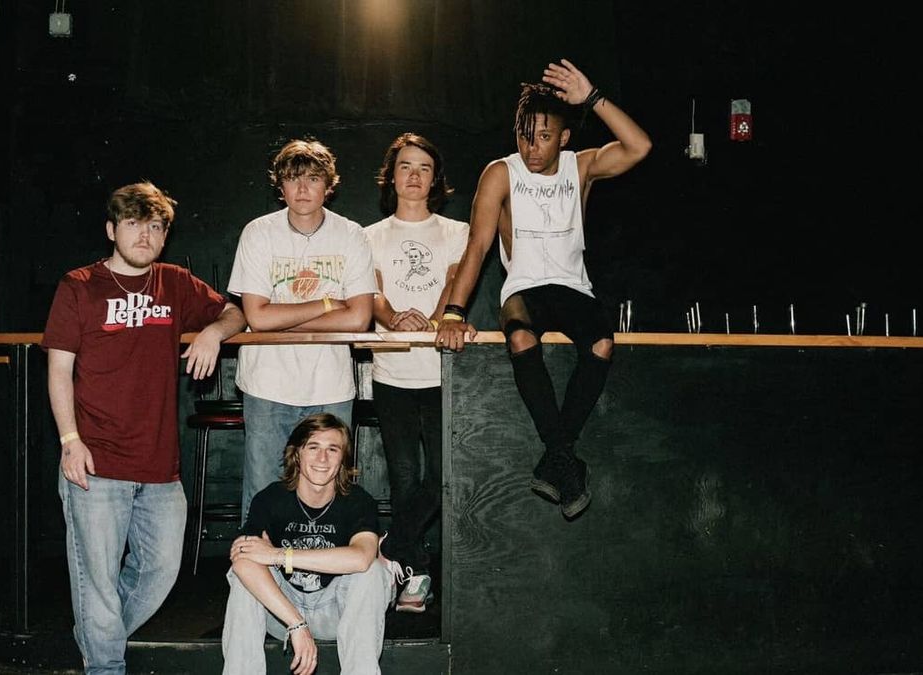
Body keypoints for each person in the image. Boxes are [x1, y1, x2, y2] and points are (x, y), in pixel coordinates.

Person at [42, 181, 246, 674]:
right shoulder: (79, 286)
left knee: (159, 571)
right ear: (111, 230)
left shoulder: (174, 283)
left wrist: (213, 333)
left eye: (155, 226)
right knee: (96, 582)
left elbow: (235, 312)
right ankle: (104, 665)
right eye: (133, 223)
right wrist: (70, 441)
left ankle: (97, 637)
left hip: (159, 466)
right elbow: (58, 370)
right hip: (95, 461)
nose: (145, 235)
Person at [435, 59, 652, 520]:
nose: (532, 148)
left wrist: (592, 99)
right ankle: (564, 458)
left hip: (573, 287)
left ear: (565, 137)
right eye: (524, 136)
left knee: (602, 342)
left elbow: (640, 146)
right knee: (519, 336)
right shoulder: (501, 172)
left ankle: (558, 455)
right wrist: (453, 311)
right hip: (525, 288)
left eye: (544, 137)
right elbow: (477, 246)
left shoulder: (582, 166)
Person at [228, 138, 377, 523]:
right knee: (263, 494)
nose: (303, 188)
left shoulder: (351, 234)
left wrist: (281, 314)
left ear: (329, 185)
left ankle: (328, 563)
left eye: (313, 178)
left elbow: (358, 318)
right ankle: (253, 564)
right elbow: (257, 318)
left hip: (329, 384)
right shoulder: (258, 232)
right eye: (293, 179)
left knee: (329, 494)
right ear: (280, 186)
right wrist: (327, 304)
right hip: (267, 383)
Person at [362, 133, 468, 612]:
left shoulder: (456, 231)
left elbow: (454, 283)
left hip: (444, 373)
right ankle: (417, 574)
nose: (414, 175)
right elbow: (373, 293)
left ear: (434, 178)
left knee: (444, 474)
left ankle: (393, 543)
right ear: (392, 176)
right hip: (393, 375)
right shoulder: (369, 235)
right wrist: (394, 319)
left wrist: (435, 318)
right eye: (405, 166)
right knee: (404, 478)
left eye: (424, 167)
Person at [221, 413, 393, 675]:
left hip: (337, 612)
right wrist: (296, 624)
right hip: (281, 613)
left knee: (372, 572)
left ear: (343, 458)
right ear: (297, 454)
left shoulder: (358, 501)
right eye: (313, 447)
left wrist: (279, 555)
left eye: (332, 449)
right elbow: (242, 560)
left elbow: (361, 557)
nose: (322, 459)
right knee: (244, 576)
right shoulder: (271, 498)